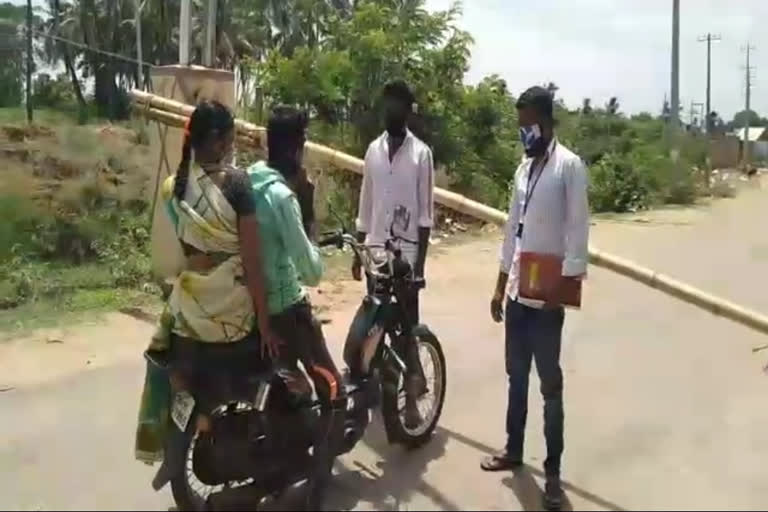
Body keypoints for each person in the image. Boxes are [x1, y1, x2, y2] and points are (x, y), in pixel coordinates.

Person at [481, 86, 589, 512]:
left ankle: (554, 476)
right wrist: (499, 283)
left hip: (547, 302)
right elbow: (512, 231)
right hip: (517, 295)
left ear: (545, 122)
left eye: (528, 126)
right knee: (516, 377)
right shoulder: (522, 171)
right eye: (520, 127)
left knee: (550, 386)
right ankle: (512, 449)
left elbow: (578, 233)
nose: (523, 133)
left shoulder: (569, 167)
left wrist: (560, 292)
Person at [352, 79, 435, 427]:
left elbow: (425, 215)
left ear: (406, 109)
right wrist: (358, 251)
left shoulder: (421, 155)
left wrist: (419, 268)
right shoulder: (373, 150)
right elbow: (366, 201)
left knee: (406, 329)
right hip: (375, 252)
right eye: (385, 104)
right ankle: (375, 391)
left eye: (395, 105)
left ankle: (412, 398)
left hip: (405, 257)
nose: (388, 111)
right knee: (375, 324)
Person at [247, 105, 343, 398]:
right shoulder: (282, 198)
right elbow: (312, 273)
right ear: (297, 150)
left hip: (252, 306)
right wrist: (309, 210)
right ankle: (329, 438)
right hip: (287, 310)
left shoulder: (246, 180)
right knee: (333, 386)